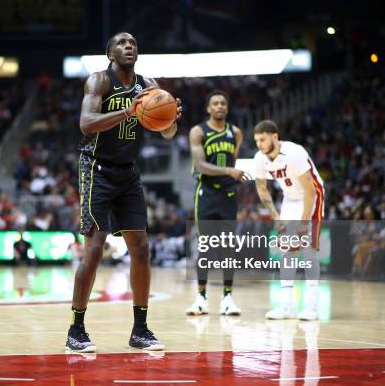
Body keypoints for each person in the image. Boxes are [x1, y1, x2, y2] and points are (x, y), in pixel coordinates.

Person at [67, 32, 182, 353]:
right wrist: (127, 112)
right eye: (122, 43)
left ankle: (140, 329)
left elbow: (168, 133)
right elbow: (86, 123)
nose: (129, 46)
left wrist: (171, 117)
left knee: (142, 248)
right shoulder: (99, 82)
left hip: (128, 172)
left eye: (133, 43)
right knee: (94, 249)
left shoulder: (149, 85)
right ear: (110, 52)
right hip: (96, 168)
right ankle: (76, 329)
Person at [185, 90, 249, 316]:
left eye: (223, 103)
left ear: (227, 108)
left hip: (228, 196)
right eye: (215, 103)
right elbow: (201, 165)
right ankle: (201, 297)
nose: (220, 106)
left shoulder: (236, 133)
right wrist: (228, 171)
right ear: (208, 108)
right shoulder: (198, 131)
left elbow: (234, 161)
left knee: (228, 249)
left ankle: (227, 297)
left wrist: (231, 173)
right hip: (206, 194)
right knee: (205, 247)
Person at [253, 120, 325, 321]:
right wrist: (276, 217)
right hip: (290, 198)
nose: (259, 144)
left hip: (312, 196)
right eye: (257, 140)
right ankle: (287, 306)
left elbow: (310, 190)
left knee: (309, 250)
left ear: (274, 137)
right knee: (287, 250)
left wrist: (303, 223)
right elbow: (261, 188)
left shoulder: (294, 152)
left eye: (263, 139)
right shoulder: (260, 158)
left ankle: (312, 306)